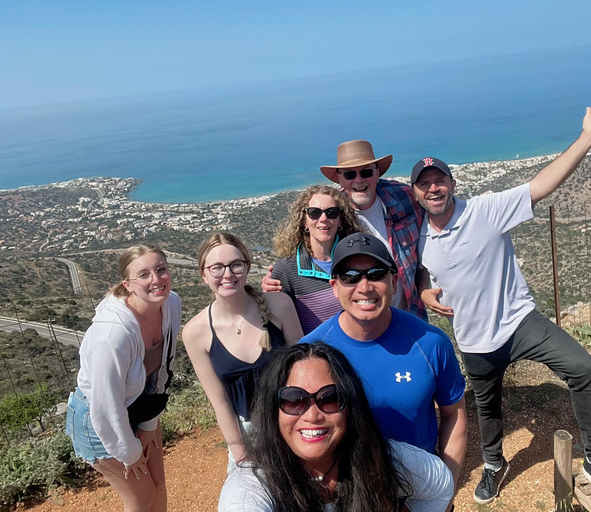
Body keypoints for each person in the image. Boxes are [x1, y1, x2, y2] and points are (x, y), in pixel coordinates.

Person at [412, 98, 591, 512]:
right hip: (474, 339)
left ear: (452, 184)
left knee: (583, 368)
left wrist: (586, 138)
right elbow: (425, 271)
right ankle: (494, 464)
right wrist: (425, 290)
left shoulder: (486, 210)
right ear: (416, 193)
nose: (433, 188)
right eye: (425, 184)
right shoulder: (420, 237)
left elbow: (542, 184)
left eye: (439, 179)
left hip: (520, 322)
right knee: (486, 406)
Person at [299, 233, 467, 494]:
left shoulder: (430, 343)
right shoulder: (310, 353)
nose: (364, 287)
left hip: (418, 487)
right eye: (350, 277)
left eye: (376, 273)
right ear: (334, 286)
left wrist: (445, 490)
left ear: (395, 280)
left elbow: (454, 414)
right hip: (344, 491)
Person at [218, 342, 454, 512]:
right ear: (274, 411)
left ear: (350, 407)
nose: (312, 415)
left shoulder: (381, 458)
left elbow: (440, 484)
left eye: (330, 398)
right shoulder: (253, 484)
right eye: (293, 399)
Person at [65, 245, 181, 512]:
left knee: (158, 486)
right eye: (144, 275)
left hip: (140, 406)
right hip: (99, 421)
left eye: (161, 269)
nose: (156, 279)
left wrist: (150, 422)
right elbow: (105, 407)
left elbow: (164, 367)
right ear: (127, 285)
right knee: (141, 498)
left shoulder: (171, 304)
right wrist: (128, 452)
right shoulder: (112, 336)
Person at [264, 140, 427, 320]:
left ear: (377, 173)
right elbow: (310, 250)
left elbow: (432, 228)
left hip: (409, 315)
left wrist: (426, 286)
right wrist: (276, 283)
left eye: (366, 172)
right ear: (339, 179)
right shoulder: (331, 211)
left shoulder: (403, 196)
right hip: (364, 322)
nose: (358, 180)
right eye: (350, 174)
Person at [182, 233, 303, 469]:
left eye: (235, 265)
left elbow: (303, 369)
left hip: (294, 420)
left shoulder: (279, 305)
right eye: (217, 268)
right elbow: (221, 403)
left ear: (247, 267)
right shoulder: (196, 332)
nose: (227, 275)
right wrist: (240, 455)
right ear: (203, 274)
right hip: (249, 434)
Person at [270, 185, 364, 334]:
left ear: (340, 220)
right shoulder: (287, 270)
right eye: (314, 213)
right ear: (304, 222)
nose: (323, 219)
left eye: (332, 213)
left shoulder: (357, 258)